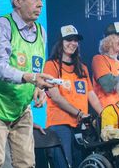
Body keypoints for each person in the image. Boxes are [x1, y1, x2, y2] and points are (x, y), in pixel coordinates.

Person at [0, 0, 54, 168]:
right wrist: (31, 78)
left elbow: (36, 67)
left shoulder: (41, 32)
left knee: (26, 163)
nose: (40, 4)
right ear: (17, 1)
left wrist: (38, 87)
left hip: (21, 109)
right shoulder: (1, 26)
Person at [44, 24, 103, 167]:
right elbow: (56, 97)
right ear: (60, 42)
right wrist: (79, 113)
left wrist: (104, 113)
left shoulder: (82, 68)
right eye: (68, 39)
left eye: (75, 40)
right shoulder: (51, 66)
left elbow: (91, 94)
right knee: (63, 164)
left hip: (81, 125)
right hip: (59, 124)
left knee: (81, 163)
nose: (73, 43)